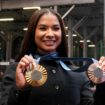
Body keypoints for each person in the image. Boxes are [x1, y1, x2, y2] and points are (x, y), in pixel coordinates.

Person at [0, 8, 95, 105]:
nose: (50, 34)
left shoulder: (79, 75)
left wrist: (102, 84)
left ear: (62, 33)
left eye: (56, 28)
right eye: (42, 28)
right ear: (33, 33)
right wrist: (20, 89)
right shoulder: (17, 71)